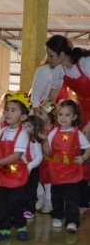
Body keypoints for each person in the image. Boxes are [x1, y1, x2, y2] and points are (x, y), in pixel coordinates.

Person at [42, 100, 90, 232]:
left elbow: (88, 148)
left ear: (74, 117)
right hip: (56, 172)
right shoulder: (52, 133)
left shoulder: (77, 133)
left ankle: (72, 221)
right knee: (56, 196)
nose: (63, 118)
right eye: (60, 114)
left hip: (72, 172)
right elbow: (47, 153)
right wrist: (45, 141)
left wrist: (83, 157)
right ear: (56, 116)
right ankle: (57, 216)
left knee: (72, 198)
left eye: (67, 115)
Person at [0, 90, 30, 241]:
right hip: (3, 175)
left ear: (23, 117)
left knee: (16, 202)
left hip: (17, 175)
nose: (8, 113)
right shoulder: (3, 131)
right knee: (2, 202)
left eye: (13, 110)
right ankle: (4, 228)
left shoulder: (22, 134)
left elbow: (16, 156)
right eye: (7, 109)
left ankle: (20, 225)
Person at [36, 99, 57, 213]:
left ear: (49, 116)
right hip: (38, 160)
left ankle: (49, 201)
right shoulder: (38, 129)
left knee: (48, 181)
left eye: (41, 113)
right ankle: (41, 196)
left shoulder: (55, 130)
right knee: (35, 178)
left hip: (49, 161)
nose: (38, 116)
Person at [22, 115, 44, 219]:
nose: (25, 127)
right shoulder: (20, 139)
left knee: (30, 190)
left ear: (35, 129)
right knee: (20, 189)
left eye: (29, 126)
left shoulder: (34, 141)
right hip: (21, 168)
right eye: (23, 124)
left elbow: (39, 157)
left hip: (32, 169)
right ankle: (21, 207)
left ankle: (29, 209)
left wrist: (30, 166)